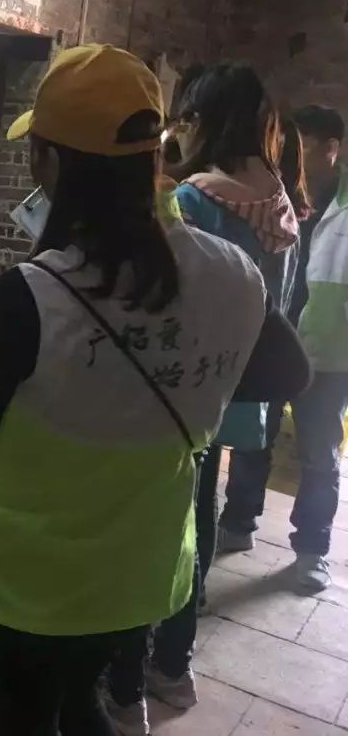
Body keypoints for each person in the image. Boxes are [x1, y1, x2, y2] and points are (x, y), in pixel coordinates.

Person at [0, 44, 310, 736]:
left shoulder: (34, 293)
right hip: (142, 570)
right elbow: (286, 373)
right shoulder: (232, 273)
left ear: (51, 164)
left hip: (29, 579)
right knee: (84, 701)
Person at [104, 64, 304, 732]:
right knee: (202, 511)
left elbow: (167, 293)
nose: (179, 128)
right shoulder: (277, 198)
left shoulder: (197, 198)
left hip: (181, 384)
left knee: (156, 525)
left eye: (186, 116)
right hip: (240, 384)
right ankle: (174, 662)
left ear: (204, 120)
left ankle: (129, 679)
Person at [218, 107, 346, 591]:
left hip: (330, 350)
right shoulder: (275, 197)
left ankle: (312, 550)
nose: (295, 153)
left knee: (319, 455)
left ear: (332, 148)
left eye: (306, 143)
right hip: (272, 339)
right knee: (253, 438)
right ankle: (238, 522)